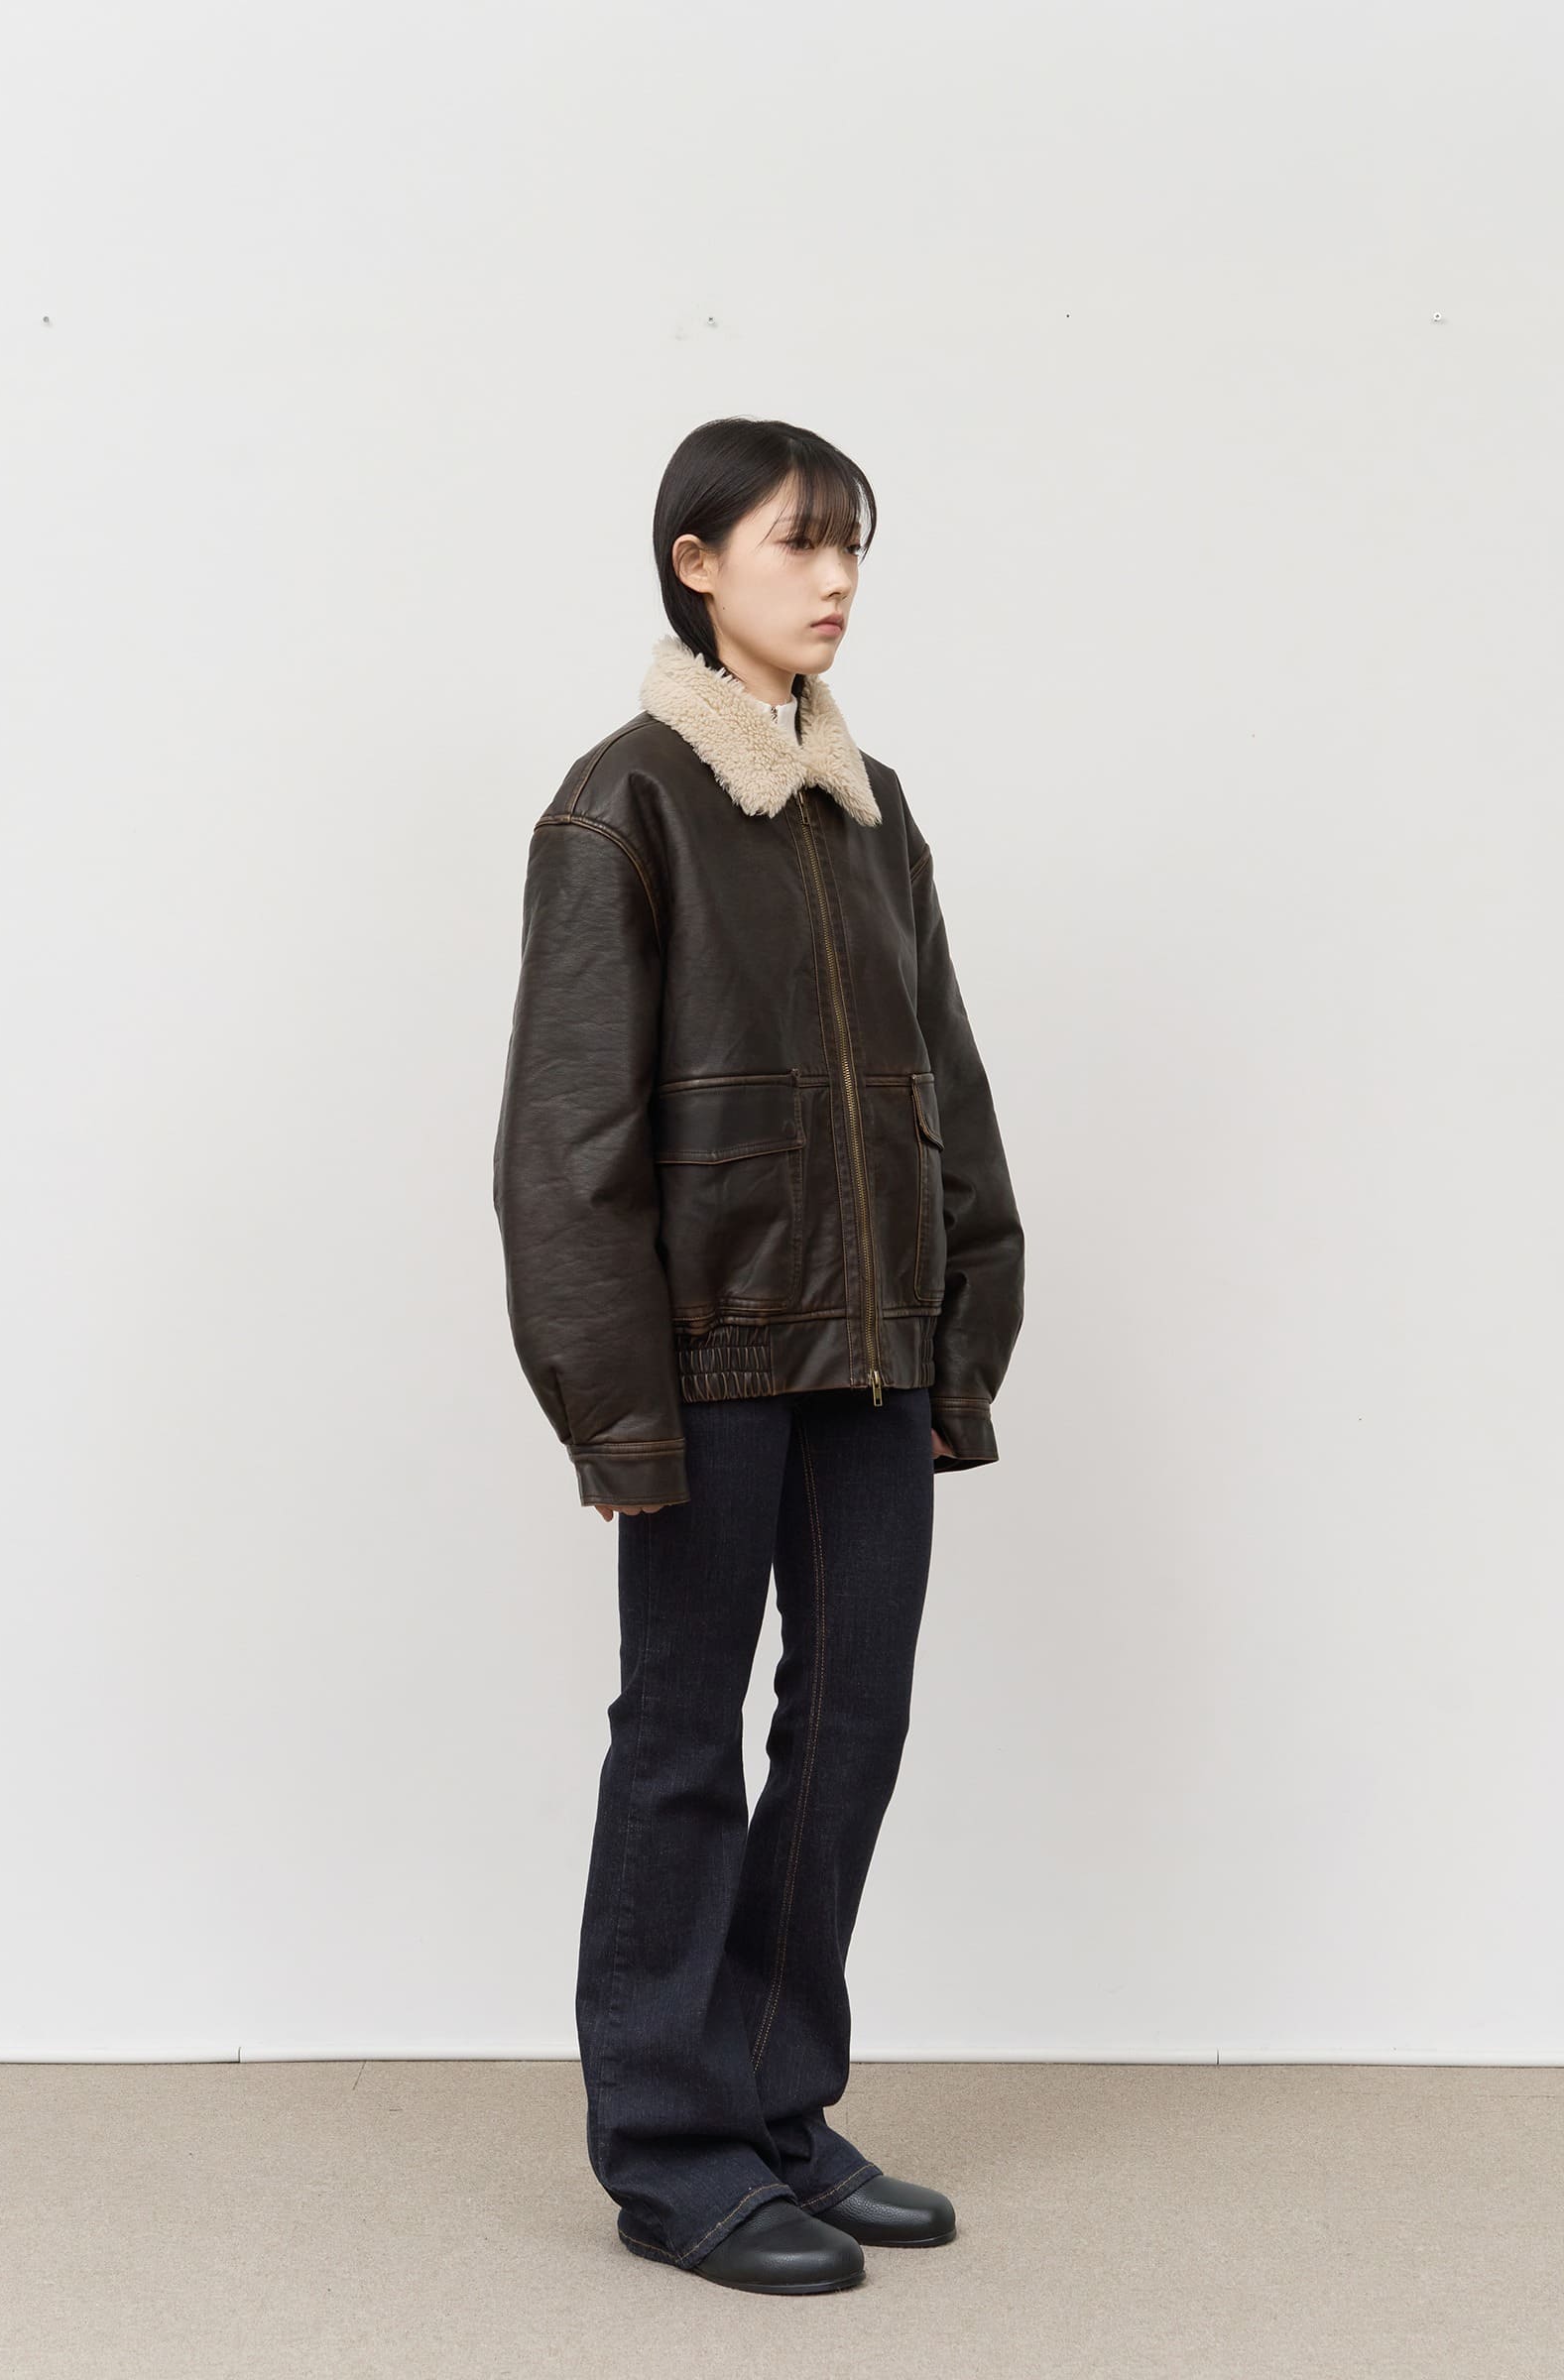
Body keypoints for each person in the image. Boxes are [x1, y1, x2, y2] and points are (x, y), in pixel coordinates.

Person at [492, 416, 1024, 2294]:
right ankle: (669, 2148)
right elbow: (565, 1148)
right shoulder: (621, 804)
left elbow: (947, 1087)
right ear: (696, 561)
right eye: (799, 542)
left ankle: (780, 2105)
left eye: (852, 544)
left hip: (872, 1356)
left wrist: (962, 1336)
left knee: (852, 1725)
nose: (837, 577)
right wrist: (617, 1416)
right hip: (708, 1365)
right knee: (681, 1741)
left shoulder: (875, 815)